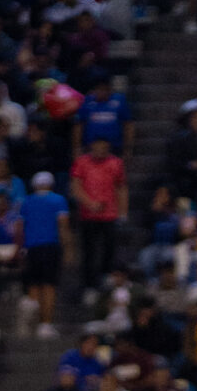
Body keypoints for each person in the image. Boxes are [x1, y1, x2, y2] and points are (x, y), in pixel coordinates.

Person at [70, 136, 127, 301]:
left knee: (109, 250)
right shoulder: (81, 162)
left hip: (109, 214)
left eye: (104, 146)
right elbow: (75, 187)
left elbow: (121, 187)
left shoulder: (116, 163)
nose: (100, 149)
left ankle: (106, 280)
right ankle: (89, 286)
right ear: (92, 145)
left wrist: (123, 211)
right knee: (89, 252)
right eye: (97, 145)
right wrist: (90, 204)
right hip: (88, 215)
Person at [19, 171, 71, 340]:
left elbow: (19, 227)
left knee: (34, 285)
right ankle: (45, 324)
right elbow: (63, 225)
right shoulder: (58, 200)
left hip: (31, 248)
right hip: (50, 246)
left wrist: (20, 248)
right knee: (48, 286)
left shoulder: (26, 202)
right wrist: (68, 248)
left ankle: (29, 323)